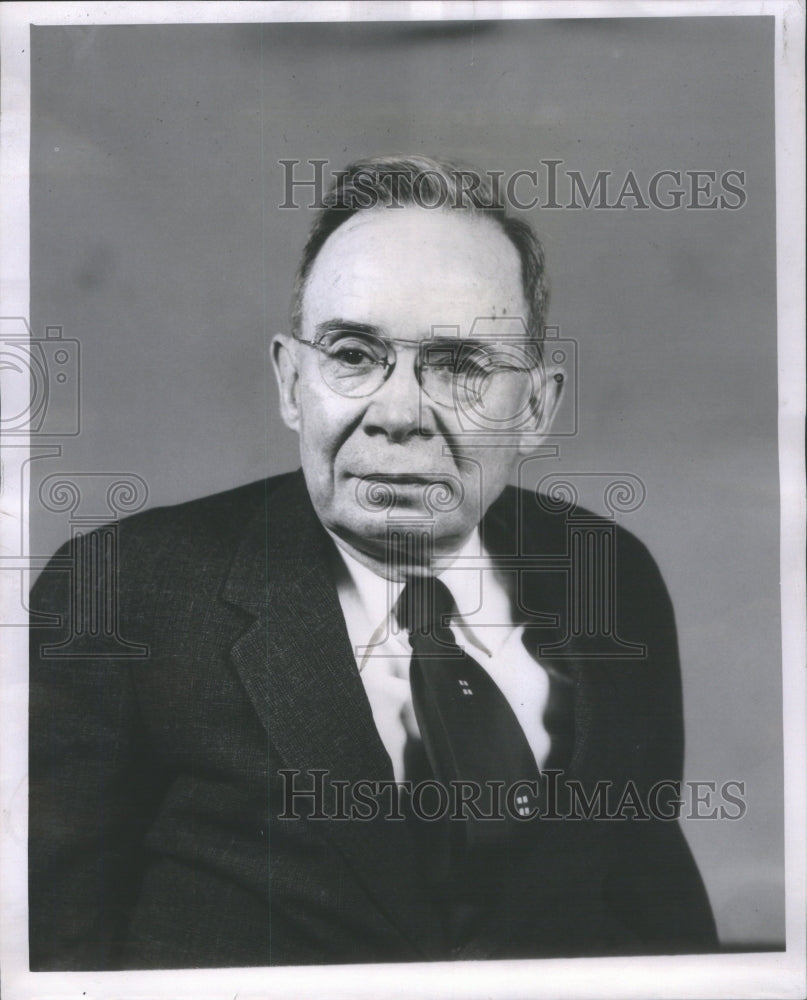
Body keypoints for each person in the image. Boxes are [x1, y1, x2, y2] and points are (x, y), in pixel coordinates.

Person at [28, 155, 717, 970]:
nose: (396, 414)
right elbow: (48, 946)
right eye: (353, 354)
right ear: (292, 383)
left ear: (535, 407)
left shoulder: (608, 573)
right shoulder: (121, 592)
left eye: (459, 365)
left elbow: (651, 913)